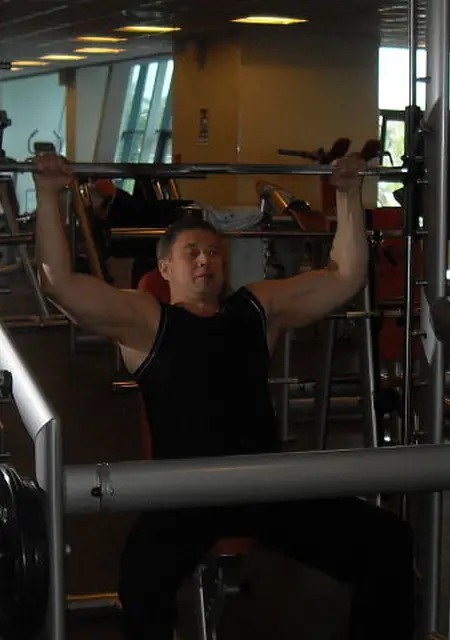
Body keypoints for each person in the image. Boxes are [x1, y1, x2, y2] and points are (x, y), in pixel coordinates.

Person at [33, 153, 415, 640]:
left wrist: (348, 194)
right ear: (165, 267)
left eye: (214, 252)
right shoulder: (146, 321)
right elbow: (60, 284)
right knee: (140, 587)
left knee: (387, 541)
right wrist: (48, 195)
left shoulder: (256, 310)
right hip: (182, 492)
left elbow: (345, 277)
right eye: (192, 252)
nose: (205, 260)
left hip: (263, 484)